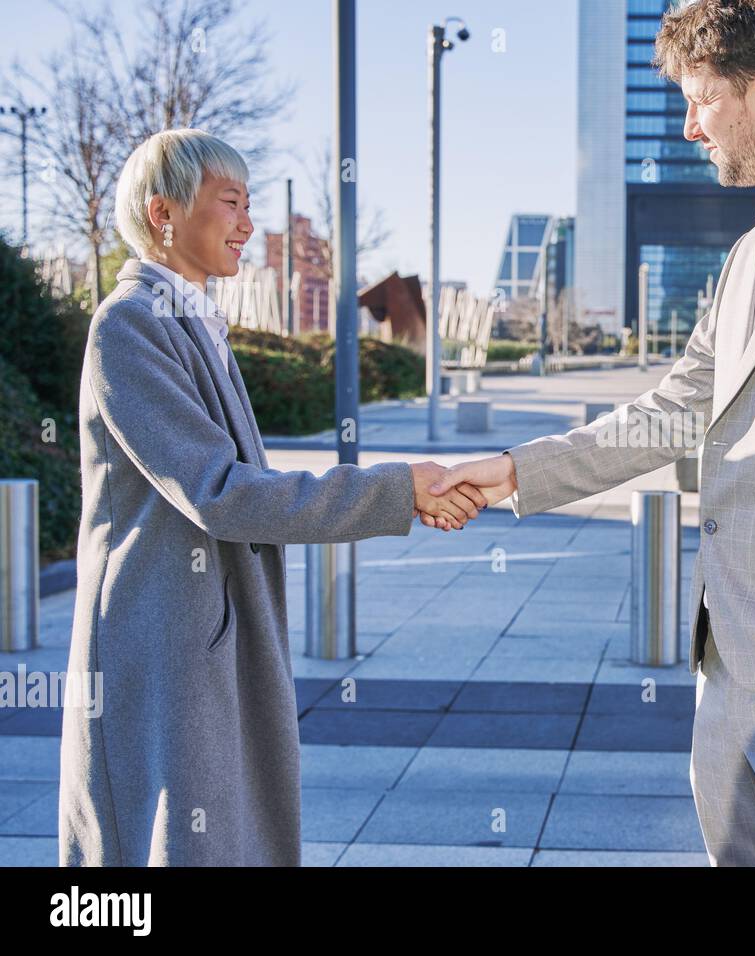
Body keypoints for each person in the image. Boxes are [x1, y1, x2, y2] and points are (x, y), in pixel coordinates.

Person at [422, 0, 755, 866]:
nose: (685, 126)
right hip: (727, 674)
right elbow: (670, 411)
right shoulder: (752, 252)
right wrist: (506, 472)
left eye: (699, 100)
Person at [60, 129, 485, 866]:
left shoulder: (190, 320)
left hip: (205, 627)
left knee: (220, 831)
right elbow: (220, 491)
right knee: (174, 840)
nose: (249, 225)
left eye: (250, 204)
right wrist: (395, 490)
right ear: (163, 213)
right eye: (230, 204)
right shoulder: (130, 324)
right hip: (165, 638)